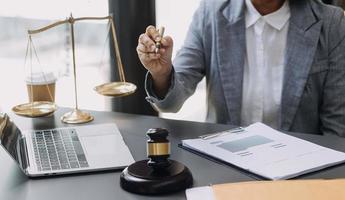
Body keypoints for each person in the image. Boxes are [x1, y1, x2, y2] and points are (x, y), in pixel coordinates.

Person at [137, 0, 345, 136]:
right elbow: (171, 102)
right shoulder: (210, 14)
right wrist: (162, 73)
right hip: (225, 164)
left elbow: (337, 130)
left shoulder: (331, 23)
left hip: (301, 170)